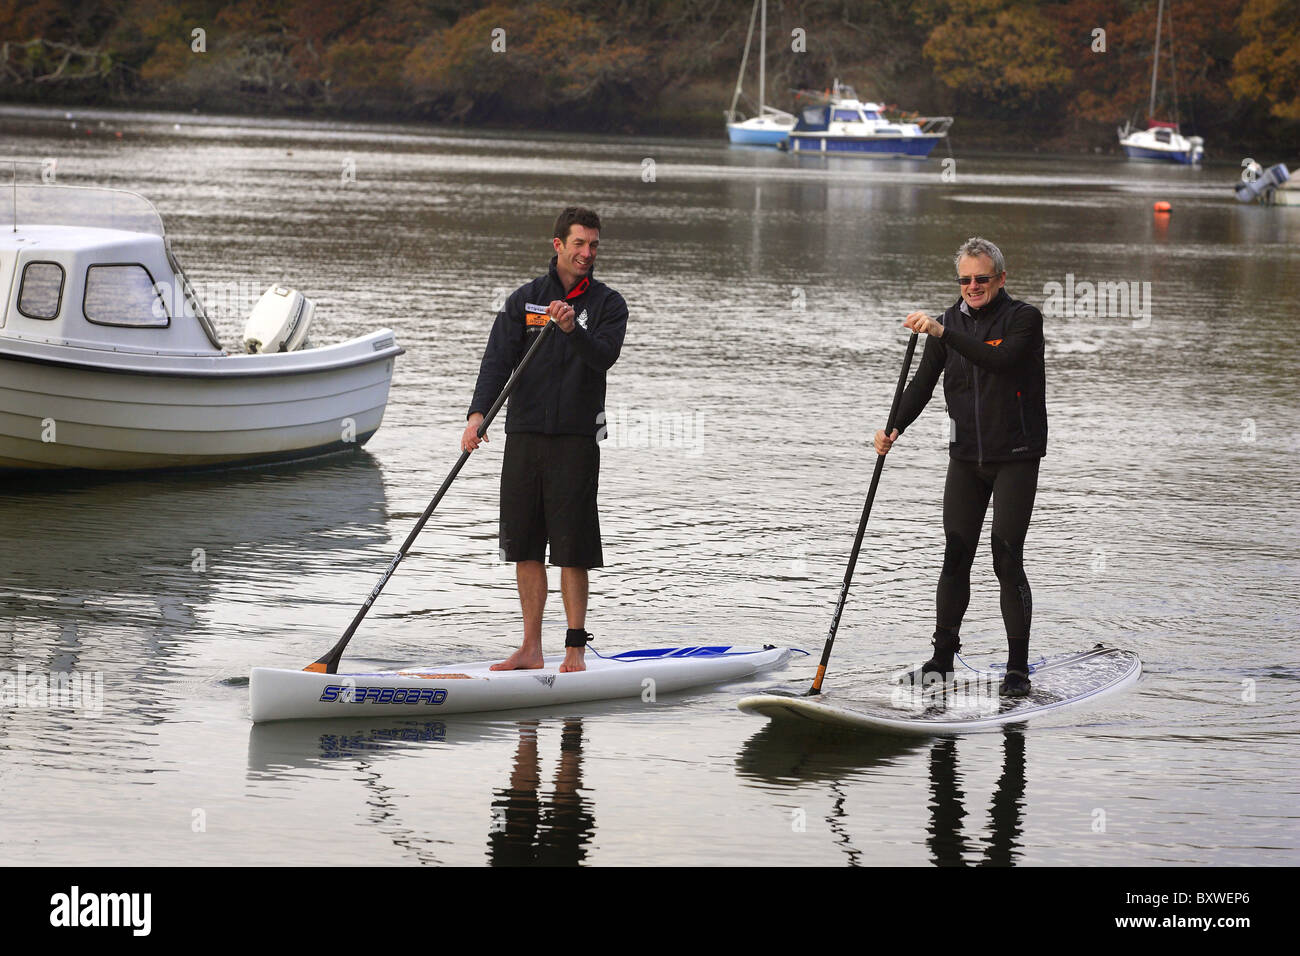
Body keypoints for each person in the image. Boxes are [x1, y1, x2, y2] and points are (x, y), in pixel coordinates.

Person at [875, 237, 1047, 696]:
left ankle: (1016, 669)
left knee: (1005, 557)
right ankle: (942, 661)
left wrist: (943, 333)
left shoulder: (1023, 319)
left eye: (981, 279)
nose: (972, 286)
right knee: (955, 553)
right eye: (965, 279)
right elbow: (922, 386)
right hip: (966, 458)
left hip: (1015, 456)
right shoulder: (947, 323)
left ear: (1001, 279)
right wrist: (893, 427)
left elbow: (1001, 360)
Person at [462, 206, 628, 673]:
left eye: (593, 245)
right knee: (525, 544)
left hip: (577, 437)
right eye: (579, 244)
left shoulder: (609, 305)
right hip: (525, 434)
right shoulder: (524, 301)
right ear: (558, 245)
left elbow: (603, 358)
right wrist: (477, 416)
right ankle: (531, 647)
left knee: (572, 547)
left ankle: (574, 648)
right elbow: (497, 361)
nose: (587, 253)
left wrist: (573, 328)